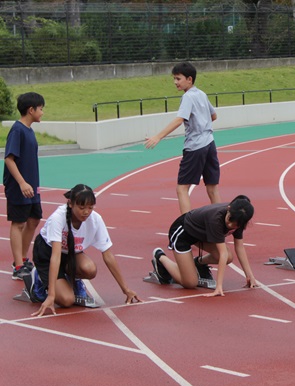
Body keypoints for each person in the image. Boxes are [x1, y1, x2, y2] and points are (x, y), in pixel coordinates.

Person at [22, 184, 140, 317]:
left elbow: (108, 255)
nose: (86, 212)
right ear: (71, 204)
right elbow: (55, 257)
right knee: (67, 300)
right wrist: (51, 295)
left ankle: (72, 280)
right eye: (82, 207)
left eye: (90, 207)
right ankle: (37, 279)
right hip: (47, 255)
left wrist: (126, 289)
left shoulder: (95, 219)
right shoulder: (58, 218)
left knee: (89, 269)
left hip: (71, 254)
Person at [144, 62, 220, 214]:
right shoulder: (202, 94)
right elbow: (214, 116)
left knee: (182, 188)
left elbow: (179, 119)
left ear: (189, 79)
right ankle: (220, 222)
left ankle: (187, 225)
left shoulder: (188, 97)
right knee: (212, 187)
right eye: (174, 79)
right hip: (210, 143)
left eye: (178, 79)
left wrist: (158, 136)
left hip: (195, 146)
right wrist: (201, 123)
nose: (175, 82)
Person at [150, 195, 257, 297]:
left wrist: (249, 275)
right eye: (229, 220)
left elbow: (239, 247)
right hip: (183, 234)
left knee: (229, 257)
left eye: (235, 225)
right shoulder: (216, 218)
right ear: (228, 209)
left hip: (200, 235)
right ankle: (160, 257)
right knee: (190, 283)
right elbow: (222, 253)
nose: (230, 225)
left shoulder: (240, 219)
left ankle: (197, 263)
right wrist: (218, 287)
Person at [3, 92, 45, 280]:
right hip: (19, 187)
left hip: (31, 186)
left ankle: (21, 258)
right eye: (41, 108)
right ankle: (18, 266)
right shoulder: (17, 130)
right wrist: (21, 182)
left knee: (34, 219)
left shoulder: (29, 130)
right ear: (31, 110)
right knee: (18, 222)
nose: (42, 112)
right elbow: (9, 159)